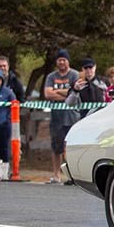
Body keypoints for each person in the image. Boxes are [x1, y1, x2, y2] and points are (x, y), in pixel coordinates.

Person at [44, 49, 79, 184]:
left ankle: (71, 175)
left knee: (69, 147)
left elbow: (75, 93)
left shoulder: (74, 74)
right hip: (56, 117)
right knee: (56, 147)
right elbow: (47, 94)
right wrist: (65, 92)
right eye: (59, 60)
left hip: (71, 117)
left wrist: (56, 91)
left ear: (68, 61)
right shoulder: (51, 77)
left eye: (64, 59)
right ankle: (56, 174)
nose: (62, 62)